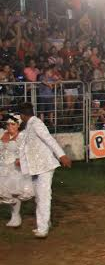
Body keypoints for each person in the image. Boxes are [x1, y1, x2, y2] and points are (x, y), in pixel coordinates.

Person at [16, 102, 72, 238]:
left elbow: (49, 139)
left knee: (43, 197)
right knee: (39, 197)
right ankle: (45, 223)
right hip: (36, 167)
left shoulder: (36, 124)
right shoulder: (29, 125)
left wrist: (62, 155)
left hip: (45, 166)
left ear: (23, 115)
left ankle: (43, 229)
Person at [0, 113, 34, 228]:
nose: (10, 126)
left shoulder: (22, 137)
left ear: (18, 125)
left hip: (16, 169)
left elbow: (27, 152)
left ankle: (15, 216)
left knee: (14, 192)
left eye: (13, 124)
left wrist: (20, 159)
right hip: (2, 167)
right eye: (8, 124)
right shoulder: (1, 134)